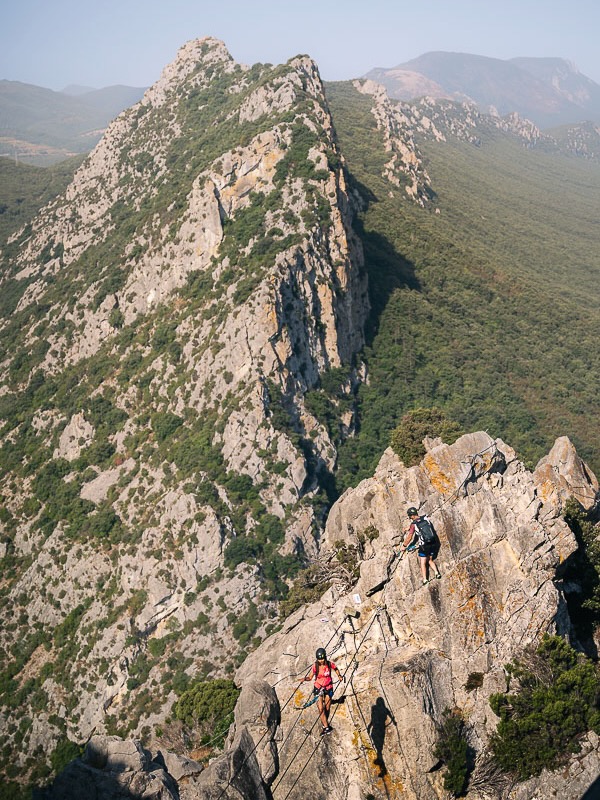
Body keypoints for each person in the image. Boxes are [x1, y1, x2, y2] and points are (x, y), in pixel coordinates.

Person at [302, 647, 344, 735]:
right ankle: (326, 727)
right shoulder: (315, 666)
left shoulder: (329, 664)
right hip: (318, 688)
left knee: (327, 708)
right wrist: (304, 679)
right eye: (319, 659)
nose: (321, 661)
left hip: (328, 687)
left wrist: (339, 676)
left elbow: (335, 668)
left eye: (322, 659)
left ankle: (325, 722)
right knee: (321, 709)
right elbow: (310, 677)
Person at [402, 507, 441, 585]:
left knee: (422, 562)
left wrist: (404, 546)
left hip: (424, 545)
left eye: (410, 516)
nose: (410, 518)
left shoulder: (413, 524)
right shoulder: (425, 518)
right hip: (433, 542)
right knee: (430, 560)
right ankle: (437, 572)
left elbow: (409, 537)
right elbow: (419, 523)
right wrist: (408, 527)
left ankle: (425, 579)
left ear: (412, 516)